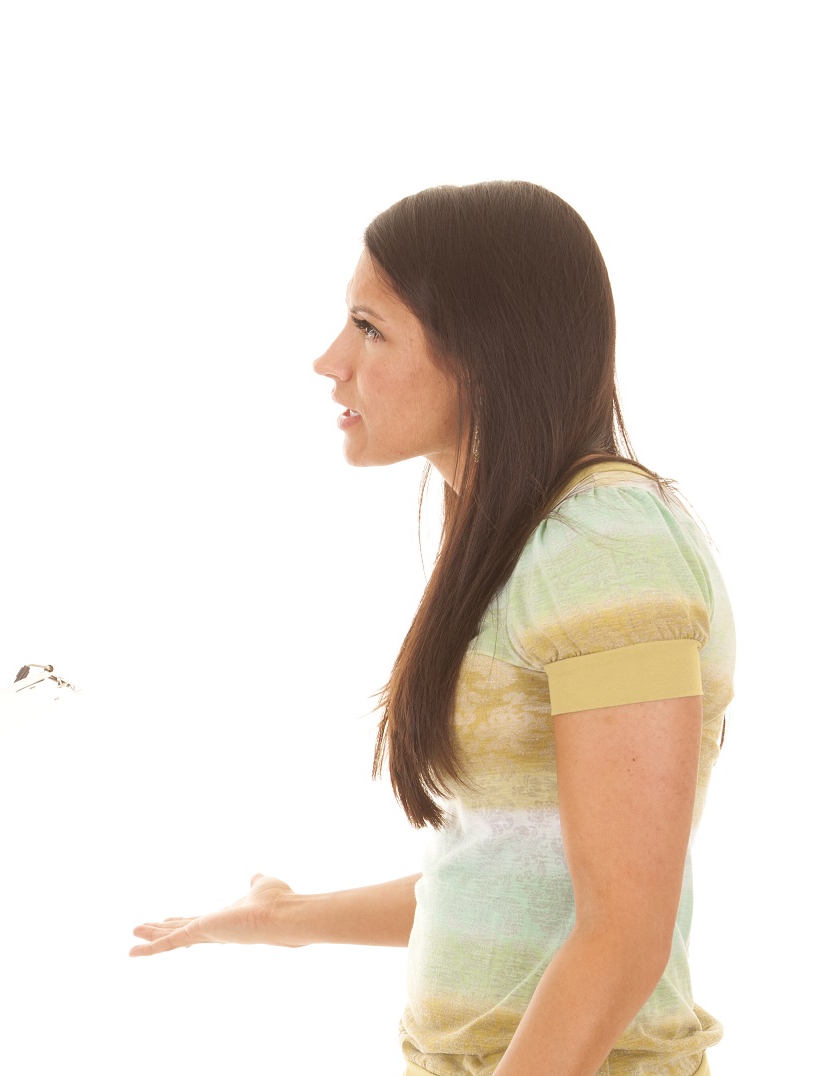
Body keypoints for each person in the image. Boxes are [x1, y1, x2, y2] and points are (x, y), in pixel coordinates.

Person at [129, 181, 730, 1076]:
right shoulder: (528, 542)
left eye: (370, 328)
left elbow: (623, 935)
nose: (330, 359)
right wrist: (287, 921)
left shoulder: (609, 544)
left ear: (485, 350)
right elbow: (511, 877)